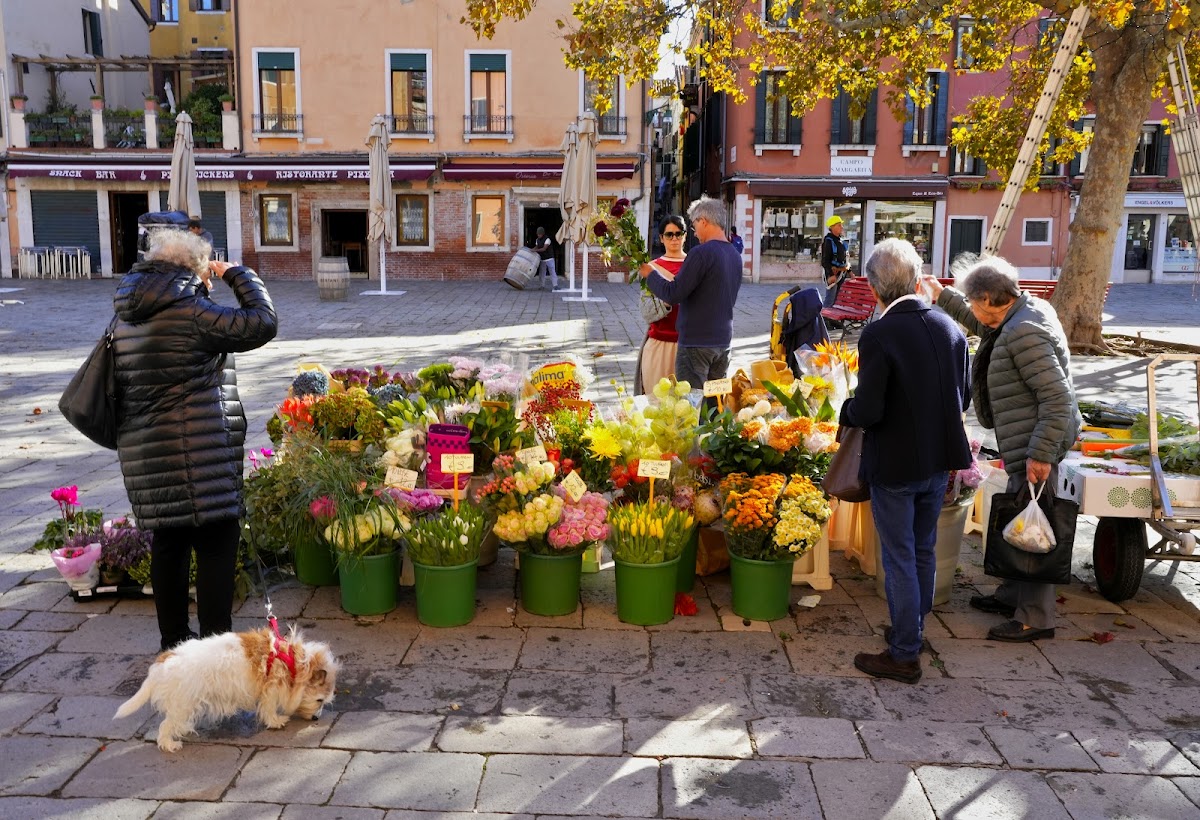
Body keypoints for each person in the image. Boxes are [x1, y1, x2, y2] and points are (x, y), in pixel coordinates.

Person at [112, 229, 277, 651]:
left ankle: (173, 646)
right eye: (206, 267)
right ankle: (214, 650)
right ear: (194, 268)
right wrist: (239, 275)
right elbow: (261, 322)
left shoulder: (126, 312)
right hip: (201, 455)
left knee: (169, 545)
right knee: (217, 545)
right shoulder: (191, 312)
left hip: (147, 454)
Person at [924, 257, 1081, 643]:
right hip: (1024, 438)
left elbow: (1057, 399)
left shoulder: (1025, 332)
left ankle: (1035, 618)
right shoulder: (1020, 311)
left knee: (1037, 529)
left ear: (992, 298)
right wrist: (943, 296)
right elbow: (984, 325)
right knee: (1018, 515)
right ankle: (1013, 595)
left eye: (975, 303)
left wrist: (1042, 454)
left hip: (1036, 441)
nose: (976, 312)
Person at [840, 238, 972, 685]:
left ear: (876, 290)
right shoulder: (950, 327)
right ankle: (912, 631)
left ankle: (903, 653)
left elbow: (870, 409)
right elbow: (964, 397)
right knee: (921, 550)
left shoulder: (879, 333)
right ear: (918, 280)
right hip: (937, 462)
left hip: (895, 463)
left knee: (898, 556)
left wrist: (847, 410)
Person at [637, 196, 742, 407]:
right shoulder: (734, 254)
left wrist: (650, 274)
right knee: (715, 404)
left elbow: (673, 293)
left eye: (693, 225)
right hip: (723, 343)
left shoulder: (700, 253)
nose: (694, 232)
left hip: (696, 345)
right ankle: (712, 439)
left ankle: (695, 441)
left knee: (690, 407)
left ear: (703, 221)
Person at [634, 215, 687, 395]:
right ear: (661, 238)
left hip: (688, 345)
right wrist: (668, 297)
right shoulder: (650, 268)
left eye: (679, 234)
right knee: (656, 402)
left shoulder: (694, 265)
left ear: (685, 236)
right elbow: (646, 311)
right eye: (669, 234)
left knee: (686, 408)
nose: (674, 239)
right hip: (659, 343)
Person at [821, 215, 850, 321]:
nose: (841, 227)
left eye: (841, 225)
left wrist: (850, 272)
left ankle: (832, 321)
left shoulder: (840, 241)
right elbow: (825, 261)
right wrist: (831, 275)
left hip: (841, 274)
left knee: (836, 301)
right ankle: (824, 322)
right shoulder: (828, 241)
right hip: (833, 275)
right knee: (829, 300)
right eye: (839, 225)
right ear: (832, 227)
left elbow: (845, 259)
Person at [532, 226, 560, 291]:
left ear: (542, 234)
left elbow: (544, 248)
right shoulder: (537, 240)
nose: (538, 235)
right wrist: (531, 250)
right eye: (538, 234)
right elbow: (536, 247)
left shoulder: (547, 239)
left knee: (552, 271)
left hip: (549, 258)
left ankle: (555, 285)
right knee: (542, 273)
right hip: (542, 259)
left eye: (540, 234)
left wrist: (535, 250)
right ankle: (542, 285)